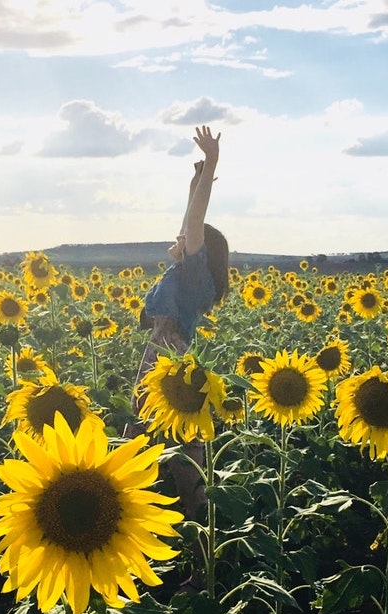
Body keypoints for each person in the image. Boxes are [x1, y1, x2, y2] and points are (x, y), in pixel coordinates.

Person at [128, 126, 229, 590]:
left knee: (185, 470)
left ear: (198, 249)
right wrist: (193, 184)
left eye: (187, 235)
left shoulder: (192, 278)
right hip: (158, 368)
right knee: (140, 459)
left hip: (169, 373)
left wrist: (210, 168)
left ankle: (204, 572)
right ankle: (140, 555)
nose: (179, 234)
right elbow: (191, 218)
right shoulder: (188, 275)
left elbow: (195, 221)